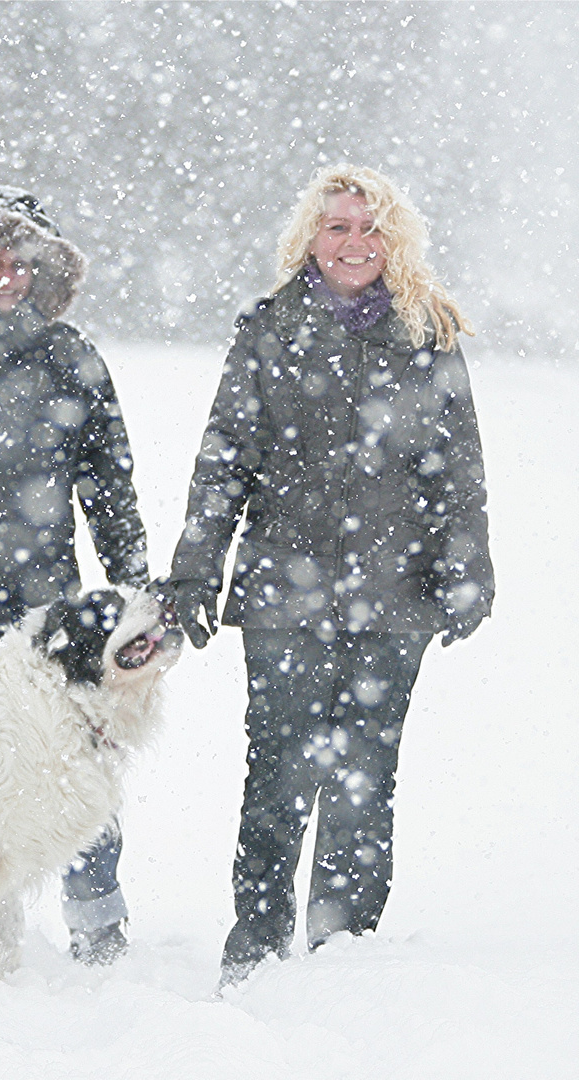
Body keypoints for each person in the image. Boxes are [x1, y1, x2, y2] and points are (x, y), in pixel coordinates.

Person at [166, 165, 494, 990]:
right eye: (339, 227)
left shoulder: (429, 332)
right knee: (278, 769)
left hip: (397, 593)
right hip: (286, 589)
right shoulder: (270, 329)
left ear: (396, 240)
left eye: (370, 228)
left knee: (363, 773)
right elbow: (224, 460)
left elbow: (457, 467)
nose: (355, 244)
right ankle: (256, 946)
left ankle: (341, 955)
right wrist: (194, 574)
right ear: (310, 238)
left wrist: (469, 565)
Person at [0, 186, 149, 964]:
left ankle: (98, 919)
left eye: (19, 262)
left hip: (46, 609)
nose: (3, 277)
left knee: (80, 754)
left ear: (46, 270)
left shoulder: (72, 359)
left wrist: (133, 587)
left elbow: (110, 487)